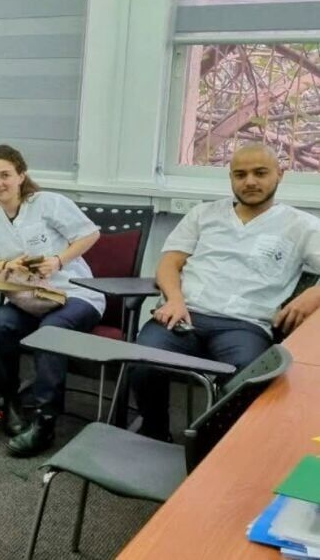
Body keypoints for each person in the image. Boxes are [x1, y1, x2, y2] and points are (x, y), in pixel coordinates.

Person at [131, 144, 320, 440]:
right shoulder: (204, 214)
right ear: (231, 177)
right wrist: (175, 299)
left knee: (250, 379)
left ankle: (215, 446)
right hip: (185, 315)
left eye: (260, 173)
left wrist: (313, 294)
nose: (250, 182)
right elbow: (169, 263)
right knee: (142, 361)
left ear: (280, 174)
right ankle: (155, 432)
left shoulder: (301, 226)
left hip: (245, 326)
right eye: (240, 175)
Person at [0, 144, 101, 457]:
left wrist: (58, 260)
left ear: (21, 175)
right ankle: (11, 404)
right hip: (31, 299)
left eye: (5, 175)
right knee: (0, 324)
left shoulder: (47, 203)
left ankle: (44, 421)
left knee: (50, 332)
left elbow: (90, 234)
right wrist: (2, 265)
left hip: (75, 294)